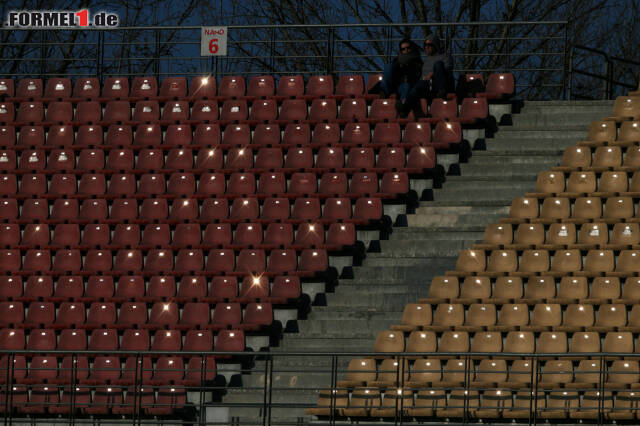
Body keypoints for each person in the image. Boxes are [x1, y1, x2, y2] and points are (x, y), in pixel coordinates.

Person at [373, 38, 423, 118]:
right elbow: (392, 75)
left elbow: (417, 76)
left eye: (408, 48)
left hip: (407, 84)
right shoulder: (396, 61)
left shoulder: (417, 61)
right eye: (403, 49)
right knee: (388, 66)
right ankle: (384, 91)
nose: (406, 50)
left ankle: (403, 108)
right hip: (395, 84)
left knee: (406, 86)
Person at [420, 33, 455, 100]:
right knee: (415, 88)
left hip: (442, 85)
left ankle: (441, 91)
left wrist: (433, 74)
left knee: (438, 64)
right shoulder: (426, 61)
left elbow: (447, 70)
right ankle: (404, 105)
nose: (427, 47)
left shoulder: (445, 56)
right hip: (428, 86)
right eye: (425, 45)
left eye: (430, 45)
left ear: (435, 45)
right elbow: (423, 77)